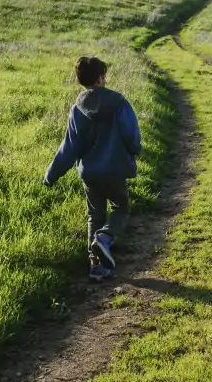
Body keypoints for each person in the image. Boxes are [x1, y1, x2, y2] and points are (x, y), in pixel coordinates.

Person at [43, 56, 142, 282]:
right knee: (121, 207)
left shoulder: (77, 108)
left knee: (94, 215)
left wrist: (51, 174)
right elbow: (131, 134)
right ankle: (105, 238)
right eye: (103, 76)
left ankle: (96, 267)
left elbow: (69, 147)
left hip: (90, 173)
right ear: (99, 78)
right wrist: (135, 150)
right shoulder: (119, 103)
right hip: (115, 169)